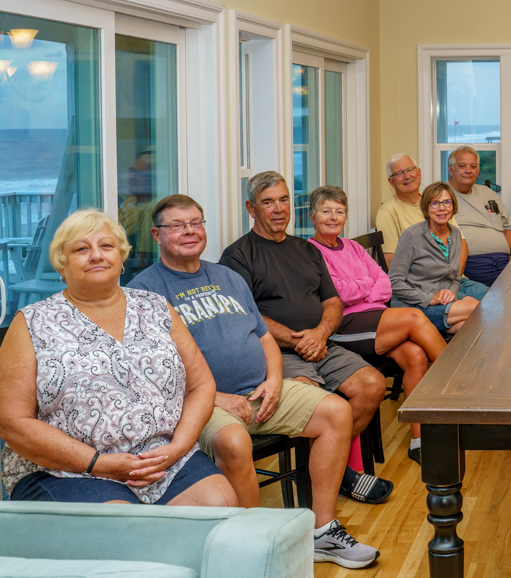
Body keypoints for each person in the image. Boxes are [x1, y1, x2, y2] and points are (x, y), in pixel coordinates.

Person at [130, 195, 379, 569]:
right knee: (233, 441)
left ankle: (323, 532)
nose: (189, 232)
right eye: (177, 225)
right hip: (202, 402)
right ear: (156, 234)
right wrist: (217, 398)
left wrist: (275, 380)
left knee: (336, 411)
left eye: (196, 223)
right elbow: (149, 371)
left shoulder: (227, 277)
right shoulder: (143, 291)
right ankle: (250, 549)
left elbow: (264, 337)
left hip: (261, 390)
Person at [0, 209, 235, 507]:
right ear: (62, 262)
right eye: (81, 249)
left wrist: (177, 448)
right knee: (121, 524)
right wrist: (97, 463)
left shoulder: (156, 307)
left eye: (106, 246)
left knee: (221, 503)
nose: (96, 255)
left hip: (163, 457)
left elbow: (201, 386)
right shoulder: (32, 322)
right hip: (65, 470)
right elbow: (12, 421)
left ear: (121, 256)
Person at [219, 171, 392, 505]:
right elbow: (246, 314)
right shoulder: (238, 256)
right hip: (277, 354)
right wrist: (298, 341)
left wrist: (321, 333)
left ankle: (329, 468)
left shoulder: (306, 249)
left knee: (372, 384)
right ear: (251, 208)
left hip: (323, 345)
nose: (279, 209)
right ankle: (340, 476)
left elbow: (333, 302)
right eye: (268, 202)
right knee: (316, 402)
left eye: (284, 200)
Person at [307, 184, 448, 463]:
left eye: (339, 211)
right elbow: (338, 293)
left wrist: (361, 289)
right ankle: (458, 385)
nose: (333, 217)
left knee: (416, 356)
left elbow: (384, 282)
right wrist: (365, 285)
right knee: (414, 317)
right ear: (312, 216)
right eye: (326, 211)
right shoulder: (311, 252)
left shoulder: (354, 247)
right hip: (345, 326)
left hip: (377, 317)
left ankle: (418, 442)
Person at [390, 183, 481, 339]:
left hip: (443, 298)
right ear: (426, 207)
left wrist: (452, 292)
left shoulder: (455, 234)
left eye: (447, 202)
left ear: (453, 206)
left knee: (469, 326)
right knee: (480, 310)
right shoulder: (412, 235)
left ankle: (442, 340)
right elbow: (394, 282)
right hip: (415, 304)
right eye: (435, 203)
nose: (442, 208)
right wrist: (429, 298)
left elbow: (455, 277)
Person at [447, 146, 511, 286]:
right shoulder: (441, 196)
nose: (468, 170)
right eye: (462, 166)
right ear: (451, 169)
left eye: (473, 166)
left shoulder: (489, 193)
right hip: (470, 268)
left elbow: (508, 229)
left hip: (504, 266)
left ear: (478, 170)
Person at [377, 153, 455, 268]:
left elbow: (461, 243)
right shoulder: (387, 212)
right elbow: (390, 261)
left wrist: (454, 274)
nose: (407, 176)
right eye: (399, 173)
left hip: (454, 274)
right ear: (391, 182)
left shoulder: (437, 202)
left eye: (410, 169)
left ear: (419, 173)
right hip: (421, 278)